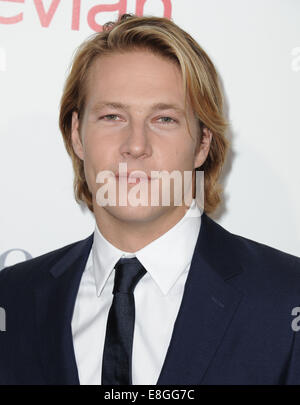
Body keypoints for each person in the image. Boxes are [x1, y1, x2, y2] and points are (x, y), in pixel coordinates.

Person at [0, 14, 300, 386]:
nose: (136, 146)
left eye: (164, 119)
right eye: (112, 116)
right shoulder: (11, 299)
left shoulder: (288, 298)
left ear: (202, 144)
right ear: (77, 134)